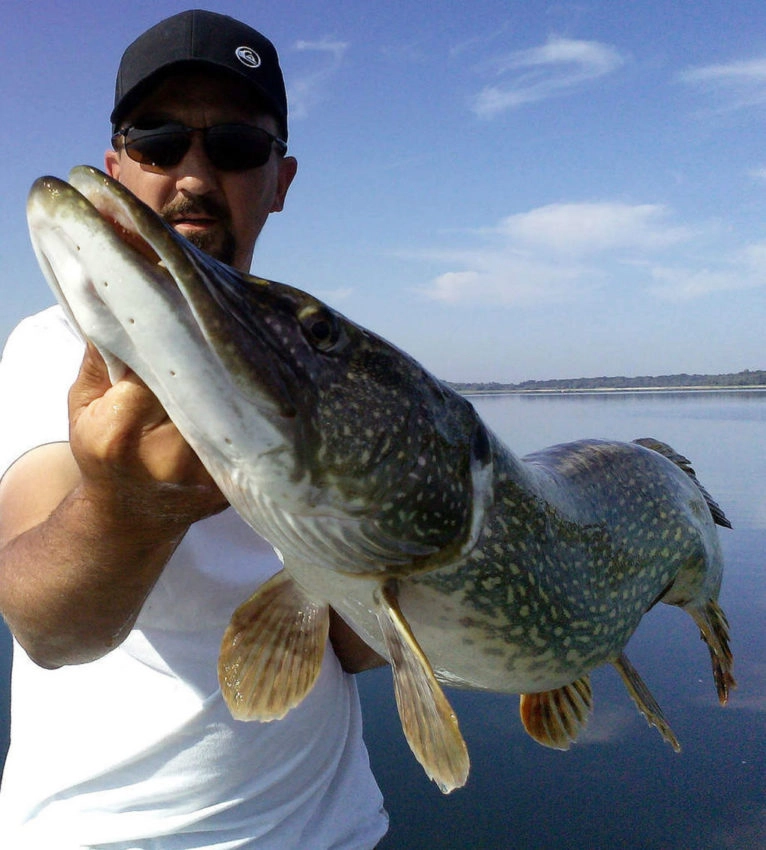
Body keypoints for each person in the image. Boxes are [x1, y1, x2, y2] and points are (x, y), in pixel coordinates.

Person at [0, 10, 388, 849]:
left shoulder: (325, 365)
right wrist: (130, 506)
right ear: (118, 166)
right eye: (159, 141)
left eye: (237, 148)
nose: (193, 175)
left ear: (279, 180)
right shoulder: (53, 348)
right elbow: (46, 626)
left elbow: (359, 649)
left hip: (330, 832)